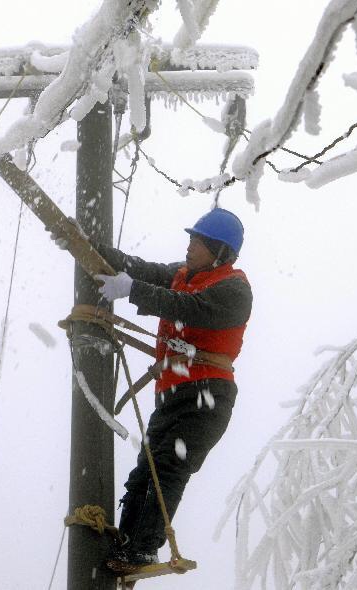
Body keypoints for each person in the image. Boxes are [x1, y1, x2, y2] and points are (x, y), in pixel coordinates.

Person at [90, 208, 252, 572]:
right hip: (175, 394)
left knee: (166, 468)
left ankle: (142, 550)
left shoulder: (233, 289)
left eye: (198, 241)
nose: (190, 245)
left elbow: (187, 308)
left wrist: (132, 290)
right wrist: (90, 247)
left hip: (207, 397)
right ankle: (127, 545)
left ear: (220, 251)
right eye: (191, 238)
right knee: (144, 472)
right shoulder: (182, 274)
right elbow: (142, 268)